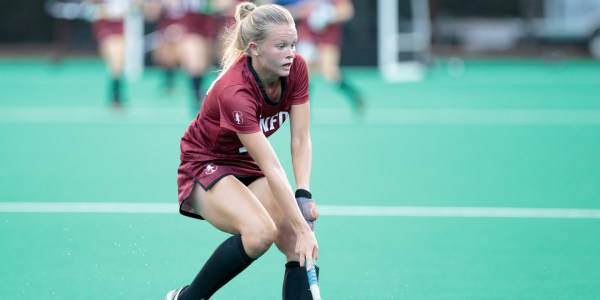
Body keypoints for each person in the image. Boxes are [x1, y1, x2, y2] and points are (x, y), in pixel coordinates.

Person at [168, 2, 319, 299]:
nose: (291, 52)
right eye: (281, 46)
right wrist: (303, 226)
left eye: (293, 44)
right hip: (204, 161)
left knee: (294, 237)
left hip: (245, 160)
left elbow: (300, 138)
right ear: (255, 48)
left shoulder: (297, 68)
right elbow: (272, 166)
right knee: (259, 232)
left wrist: (303, 194)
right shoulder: (234, 90)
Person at [144, 0, 217, 112]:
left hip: (202, 30)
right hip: (174, 30)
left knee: (198, 57)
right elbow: (151, 14)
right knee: (178, 50)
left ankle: (197, 92)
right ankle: (171, 80)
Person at [295, 0, 365, 113]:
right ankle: (303, 109)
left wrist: (328, 15)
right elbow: (298, 9)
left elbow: (348, 11)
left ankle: (354, 95)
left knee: (329, 72)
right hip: (307, 33)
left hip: (328, 35)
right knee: (304, 72)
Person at [87, 0, 131, 108]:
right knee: (114, 61)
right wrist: (109, 11)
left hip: (120, 27)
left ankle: (116, 96)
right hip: (105, 27)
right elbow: (90, 7)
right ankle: (116, 96)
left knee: (119, 63)